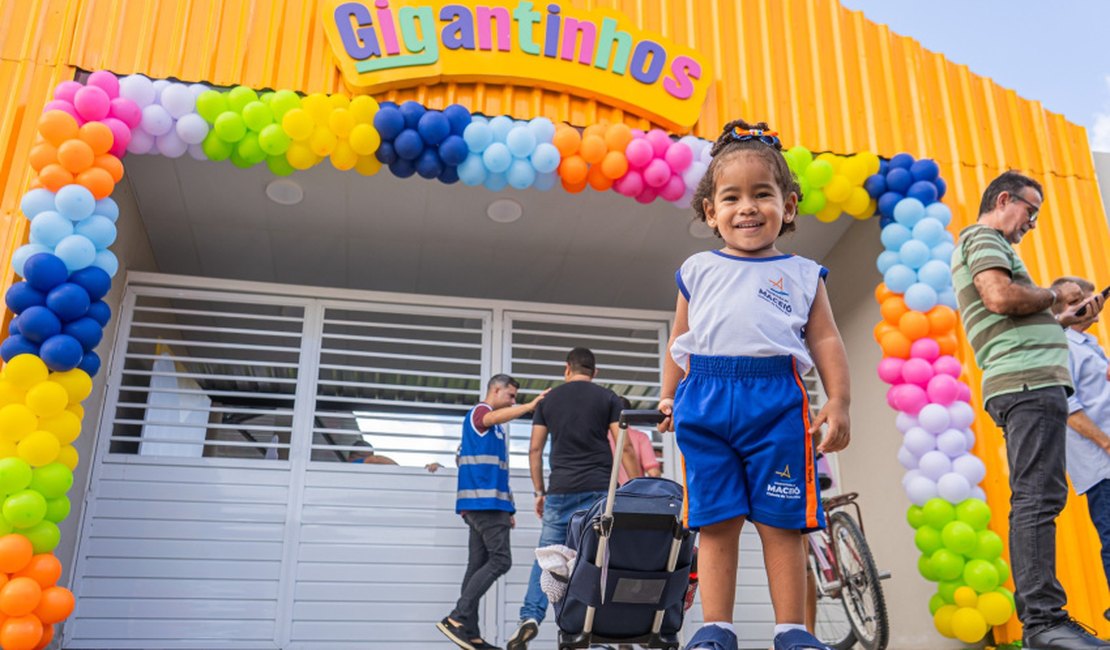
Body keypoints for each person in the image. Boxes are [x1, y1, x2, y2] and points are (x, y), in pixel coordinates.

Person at [657, 119, 851, 650]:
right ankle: (716, 628)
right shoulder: (696, 269)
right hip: (706, 399)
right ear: (710, 212)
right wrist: (669, 396)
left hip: (777, 404)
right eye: (731, 197)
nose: (747, 207)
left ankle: (792, 630)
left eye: (762, 194)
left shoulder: (804, 273)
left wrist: (838, 400)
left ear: (788, 206)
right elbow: (682, 341)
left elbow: (827, 341)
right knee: (716, 521)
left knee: (781, 521)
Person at [950, 171, 1107, 650]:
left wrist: (1059, 318)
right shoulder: (982, 236)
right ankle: (1044, 622)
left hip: (1028, 383)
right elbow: (999, 297)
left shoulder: (987, 243)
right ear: (1004, 199)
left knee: (1039, 497)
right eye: (1030, 211)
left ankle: (1046, 620)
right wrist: (1055, 295)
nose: (1032, 223)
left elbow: (1014, 311)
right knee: (1037, 500)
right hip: (1027, 384)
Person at [506, 347, 642, 650]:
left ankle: (530, 617)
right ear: (594, 372)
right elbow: (627, 448)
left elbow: (535, 450)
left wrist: (539, 491)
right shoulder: (608, 398)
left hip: (560, 490)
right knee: (596, 558)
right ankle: (595, 628)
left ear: (567, 369)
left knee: (549, 558)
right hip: (597, 491)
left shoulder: (549, 400)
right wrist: (636, 488)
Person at [437, 374, 547, 650]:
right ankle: (458, 617)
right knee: (501, 561)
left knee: (477, 565)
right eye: (510, 396)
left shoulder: (495, 430)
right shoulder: (481, 413)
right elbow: (488, 420)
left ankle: (470, 633)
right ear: (495, 390)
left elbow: (496, 472)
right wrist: (528, 407)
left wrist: (508, 507)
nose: (513, 401)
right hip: (484, 505)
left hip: (487, 505)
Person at [1050, 276, 1110, 623]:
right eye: (1078, 298)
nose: (1091, 301)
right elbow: (1069, 409)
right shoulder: (1062, 344)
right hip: (1100, 465)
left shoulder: (1087, 343)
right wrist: (1106, 443)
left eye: (1089, 294)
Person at [608, 396, 663, 484]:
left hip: (605, 493)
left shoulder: (601, 437)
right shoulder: (640, 437)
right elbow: (653, 473)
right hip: (632, 492)